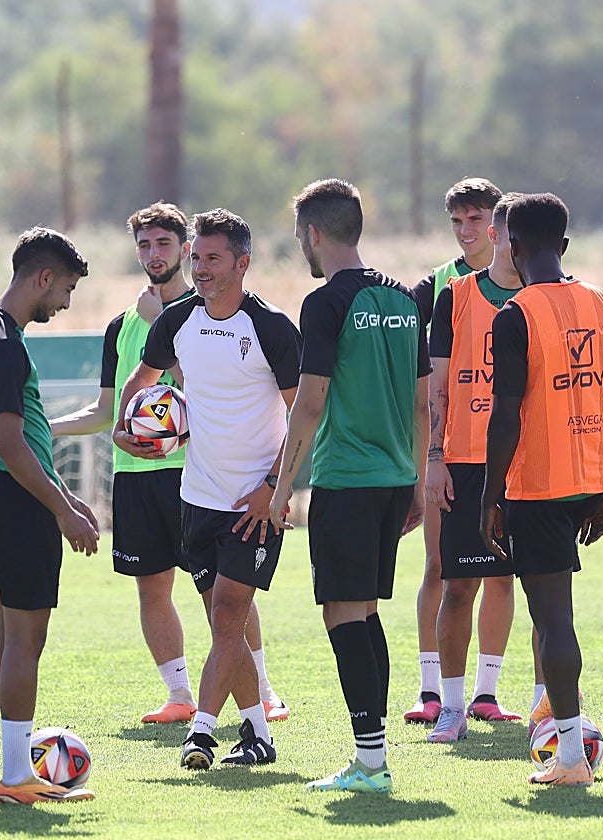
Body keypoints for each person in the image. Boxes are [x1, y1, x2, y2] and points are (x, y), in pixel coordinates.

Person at [50, 202, 287, 725]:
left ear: (184, 249)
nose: (153, 254)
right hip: (137, 477)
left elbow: (202, 385)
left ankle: (262, 695)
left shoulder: (209, 316)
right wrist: (47, 430)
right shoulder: (122, 327)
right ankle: (181, 695)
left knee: (224, 597)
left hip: (195, 475)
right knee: (152, 588)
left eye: (164, 244)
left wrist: (279, 484)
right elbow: (114, 408)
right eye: (143, 245)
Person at [114, 208, 300, 770]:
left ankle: (200, 732)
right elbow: (140, 382)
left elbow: (305, 419)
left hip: (254, 505)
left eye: (213, 259)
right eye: (197, 258)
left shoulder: (272, 329)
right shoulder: (175, 322)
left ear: (243, 263)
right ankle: (259, 735)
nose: (200, 269)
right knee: (226, 622)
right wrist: (127, 431)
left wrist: (276, 486)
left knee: (226, 613)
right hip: (197, 499)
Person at [268, 179, 428, 793]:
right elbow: (421, 403)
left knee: (343, 613)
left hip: (348, 479)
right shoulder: (405, 300)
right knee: (363, 611)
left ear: (312, 234)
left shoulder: (325, 303)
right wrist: (414, 478)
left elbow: (310, 403)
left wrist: (282, 489)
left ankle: (370, 764)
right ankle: (374, 757)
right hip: (392, 479)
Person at [0, 227, 99, 805]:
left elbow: (9, 442)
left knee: (7, 637)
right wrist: (61, 510)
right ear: (42, 277)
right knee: (25, 643)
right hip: (16, 499)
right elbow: (13, 441)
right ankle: (16, 776)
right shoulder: (5, 342)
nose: (64, 303)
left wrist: (63, 490)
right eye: (64, 288)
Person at [480, 193, 603, 786]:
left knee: (552, 620)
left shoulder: (514, 313)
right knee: (553, 619)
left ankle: (570, 758)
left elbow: (506, 415)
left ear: (513, 248)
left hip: (537, 488)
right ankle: (566, 733)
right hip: (587, 480)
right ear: (564, 245)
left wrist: (491, 497)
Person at [421, 193, 527, 744]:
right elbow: (437, 385)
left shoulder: (545, 296)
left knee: (528, 582)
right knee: (456, 584)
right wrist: (435, 458)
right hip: (465, 461)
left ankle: (540, 705)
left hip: (531, 463)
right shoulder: (455, 296)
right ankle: (451, 705)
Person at [406, 177, 510, 724]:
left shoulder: (525, 278)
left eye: (476, 220)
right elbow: (401, 337)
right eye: (457, 222)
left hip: (512, 455)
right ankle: (430, 689)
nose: (467, 231)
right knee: (441, 568)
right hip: (451, 450)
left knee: (502, 573)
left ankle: (487, 693)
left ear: (498, 222)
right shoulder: (438, 286)